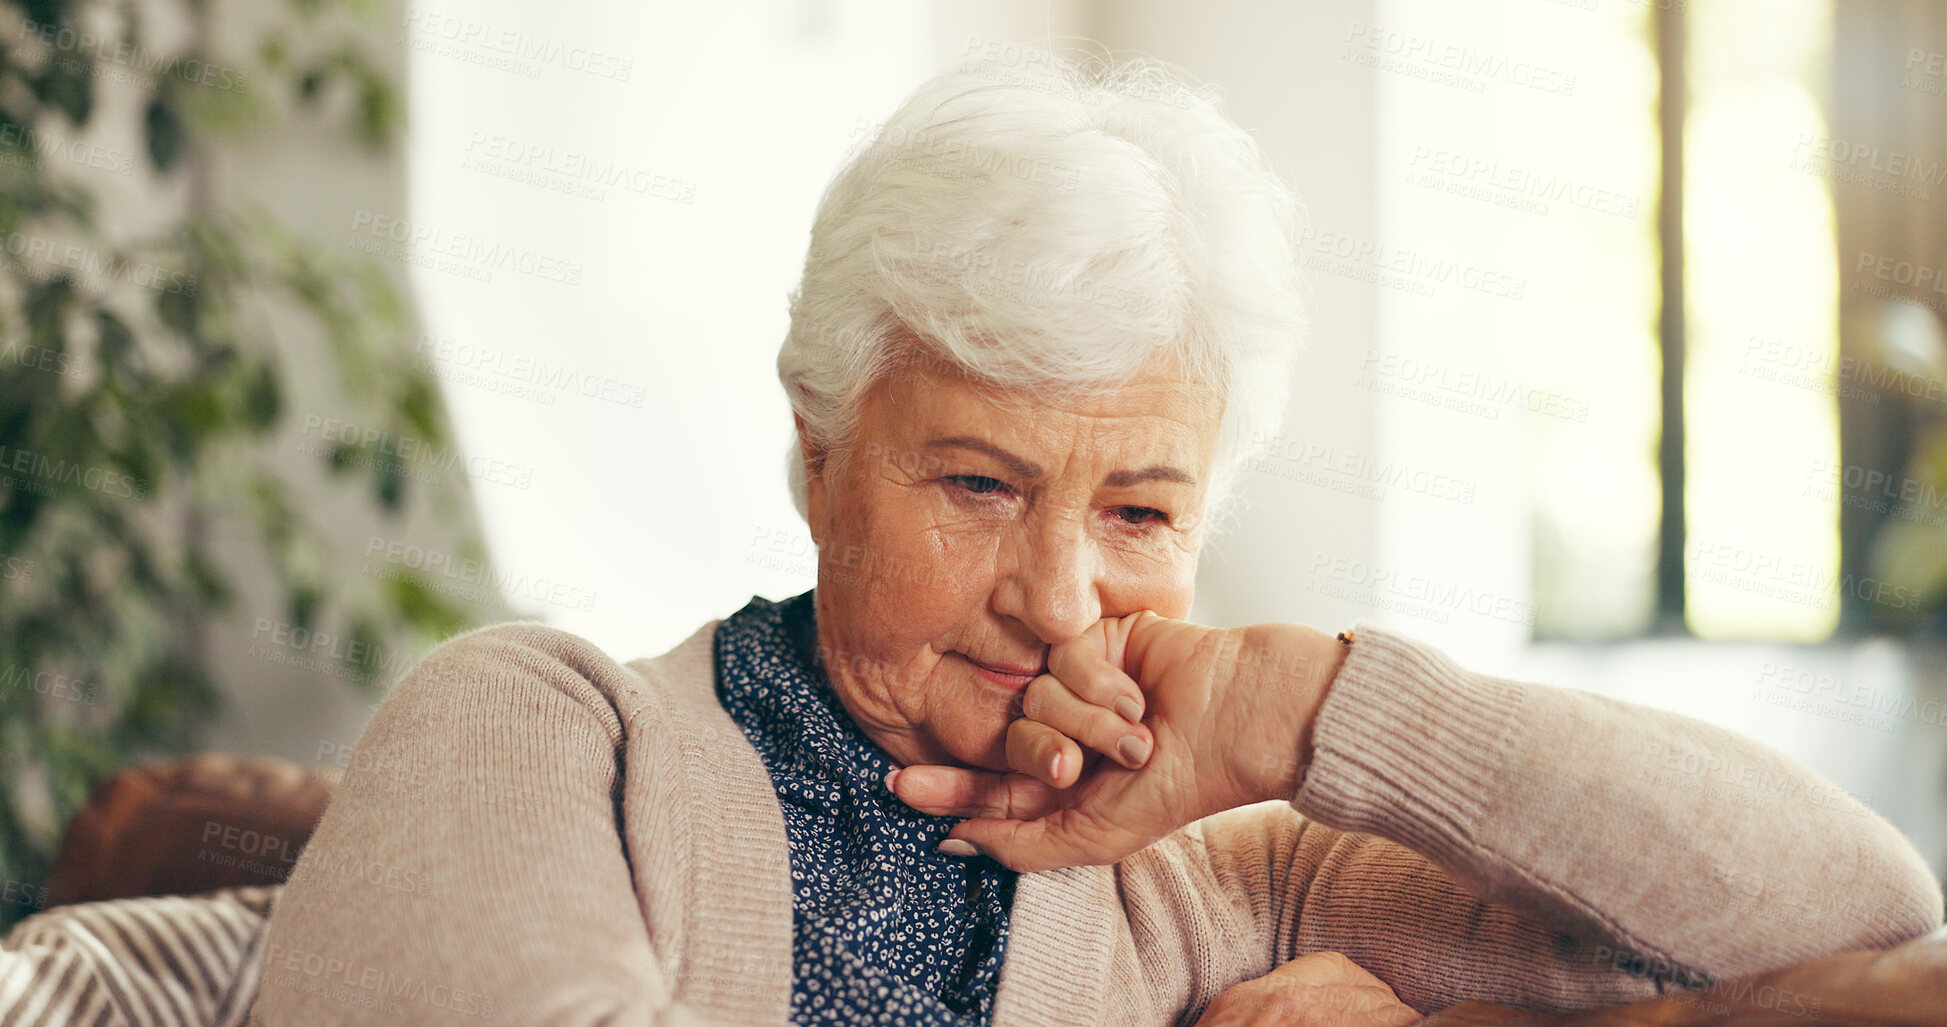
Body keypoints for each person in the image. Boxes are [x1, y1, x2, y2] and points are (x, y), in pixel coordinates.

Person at [251, 51, 1944, 1027]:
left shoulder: (1235, 876)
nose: (1059, 598)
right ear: (821, 450)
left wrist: (1304, 705)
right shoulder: (549, 736)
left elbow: (1852, 917)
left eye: (1141, 511)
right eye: (977, 485)